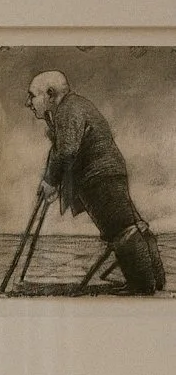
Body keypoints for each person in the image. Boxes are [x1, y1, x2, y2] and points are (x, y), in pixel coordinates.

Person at [26, 71, 165, 294]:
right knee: (131, 224)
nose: (28, 103)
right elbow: (61, 150)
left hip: (99, 177)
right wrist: (49, 181)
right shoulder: (70, 108)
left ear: (50, 95)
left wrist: (51, 182)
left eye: (32, 96)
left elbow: (67, 151)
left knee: (121, 230)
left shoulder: (68, 110)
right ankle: (155, 280)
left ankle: (142, 285)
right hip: (106, 174)